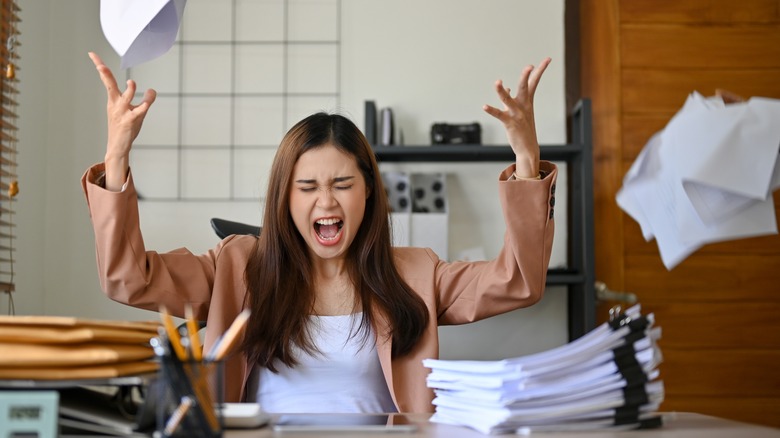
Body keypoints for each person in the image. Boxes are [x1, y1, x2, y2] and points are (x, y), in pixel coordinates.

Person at [82, 52, 558, 413]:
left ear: (368, 191)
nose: (326, 202)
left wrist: (526, 162)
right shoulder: (236, 265)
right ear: (284, 198)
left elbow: (517, 280)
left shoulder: (414, 273)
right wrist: (118, 157)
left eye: (342, 184)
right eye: (306, 186)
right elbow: (129, 278)